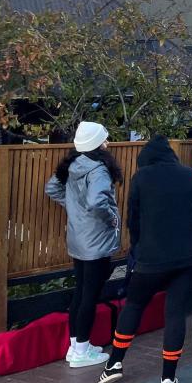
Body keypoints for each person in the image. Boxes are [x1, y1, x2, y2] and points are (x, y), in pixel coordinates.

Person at [98, 136, 192, 383]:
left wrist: (137, 247)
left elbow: (133, 219)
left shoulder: (142, 179)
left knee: (134, 305)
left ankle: (115, 363)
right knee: (175, 312)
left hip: (152, 256)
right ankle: (168, 377)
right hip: (189, 255)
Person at [45, 121, 121, 369]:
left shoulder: (73, 165)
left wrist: (72, 207)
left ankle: (77, 345)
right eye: (104, 139)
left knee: (81, 291)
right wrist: (112, 217)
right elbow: (98, 201)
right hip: (96, 239)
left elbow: (52, 188)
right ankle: (81, 350)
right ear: (96, 144)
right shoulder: (98, 169)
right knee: (90, 293)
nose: (107, 143)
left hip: (77, 237)